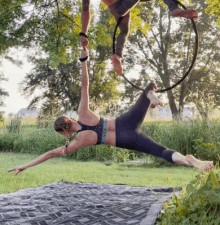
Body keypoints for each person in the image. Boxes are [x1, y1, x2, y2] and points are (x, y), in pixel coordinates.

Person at [9, 49, 213, 176]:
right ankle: (150, 98)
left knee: (161, 152)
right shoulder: (83, 113)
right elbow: (84, 84)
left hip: (126, 138)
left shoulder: (76, 142)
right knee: (149, 87)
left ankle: (190, 162)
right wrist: (83, 59)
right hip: (125, 122)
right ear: (68, 119)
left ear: (63, 132)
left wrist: (25, 165)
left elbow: (49, 154)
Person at [65, 0, 198, 76]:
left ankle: (117, 55)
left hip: (117, 9)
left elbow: (85, 11)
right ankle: (174, 9)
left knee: (123, 32)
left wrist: (84, 34)